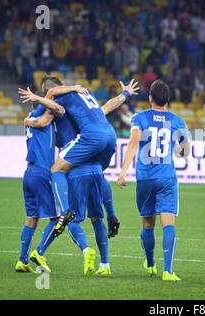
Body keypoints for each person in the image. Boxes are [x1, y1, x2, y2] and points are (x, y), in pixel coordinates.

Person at [18, 77, 139, 238]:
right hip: (108, 136)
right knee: (98, 179)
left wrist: (28, 119)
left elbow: (45, 119)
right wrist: (125, 93)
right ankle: (111, 217)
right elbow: (107, 107)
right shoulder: (84, 93)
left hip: (85, 145)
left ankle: (65, 212)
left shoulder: (58, 102)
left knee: (57, 170)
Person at [117, 79, 190, 281]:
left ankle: (150, 264)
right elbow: (185, 152)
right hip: (166, 177)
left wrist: (123, 172)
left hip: (145, 178)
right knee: (168, 225)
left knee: (148, 224)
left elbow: (132, 143)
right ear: (168, 100)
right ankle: (168, 271)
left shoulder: (139, 118)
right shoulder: (178, 121)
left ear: (150, 98)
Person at [16, 91, 58, 273]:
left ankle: (22, 260)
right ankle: (38, 252)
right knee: (56, 219)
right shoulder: (44, 118)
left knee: (32, 218)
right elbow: (45, 120)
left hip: (29, 173)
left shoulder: (29, 119)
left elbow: (36, 121)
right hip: (41, 172)